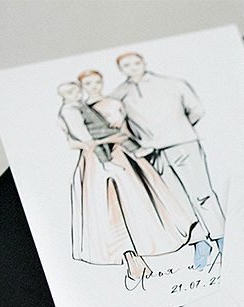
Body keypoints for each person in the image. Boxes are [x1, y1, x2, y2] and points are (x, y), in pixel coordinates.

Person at [57, 76, 192, 290]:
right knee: (108, 210)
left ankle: (138, 259)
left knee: (133, 204)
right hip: (94, 162)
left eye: (96, 82)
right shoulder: (71, 110)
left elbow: (127, 132)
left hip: (123, 158)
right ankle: (132, 262)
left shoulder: (113, 104)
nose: (93, 87)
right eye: (88, 84)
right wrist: (103, 140)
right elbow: (74, 141)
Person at [110, 52, 224, 270]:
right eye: (126, 65)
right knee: (176, 200)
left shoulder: (172, 83)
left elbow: (196, 110)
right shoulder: (118, 95)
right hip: (152, 152)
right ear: (121, 69)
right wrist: (141, 143)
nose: (132, 67)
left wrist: (178, 130)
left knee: (202, 192)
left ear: (144, 62)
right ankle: (199, 243)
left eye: (136, 62)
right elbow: (116, 124)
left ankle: (221, 238)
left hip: (183, 144)